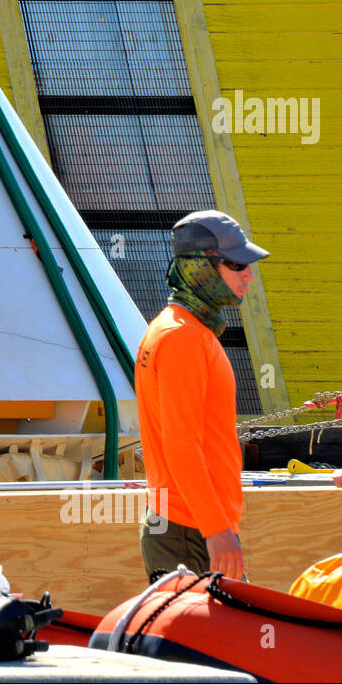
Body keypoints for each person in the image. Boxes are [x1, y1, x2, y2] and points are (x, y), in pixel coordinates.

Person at [135, 210, 269, 583]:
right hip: (190, 529)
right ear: (201, 267)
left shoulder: (177, 330)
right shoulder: (184, 338)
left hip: (187, 525)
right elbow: (181, 444)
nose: (248, 274)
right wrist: (216, 530)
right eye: (236, 264)